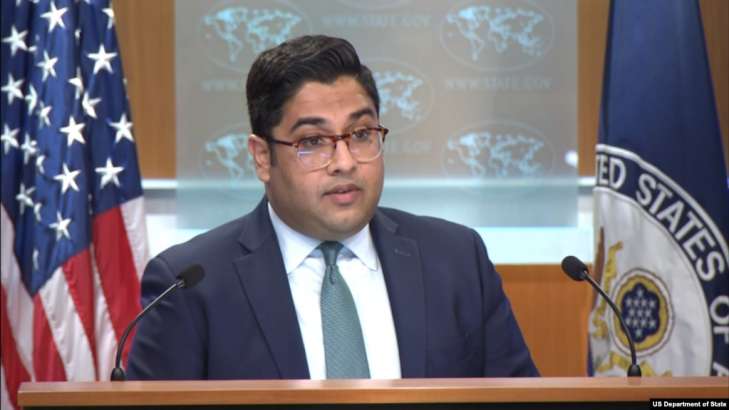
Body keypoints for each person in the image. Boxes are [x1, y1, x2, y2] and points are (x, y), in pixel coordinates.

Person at [127, 35, 538, 380]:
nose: (345, 162)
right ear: (262, 157)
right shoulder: (191, 285)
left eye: (361, 134)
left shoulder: (456, 259)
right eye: (312, 142)